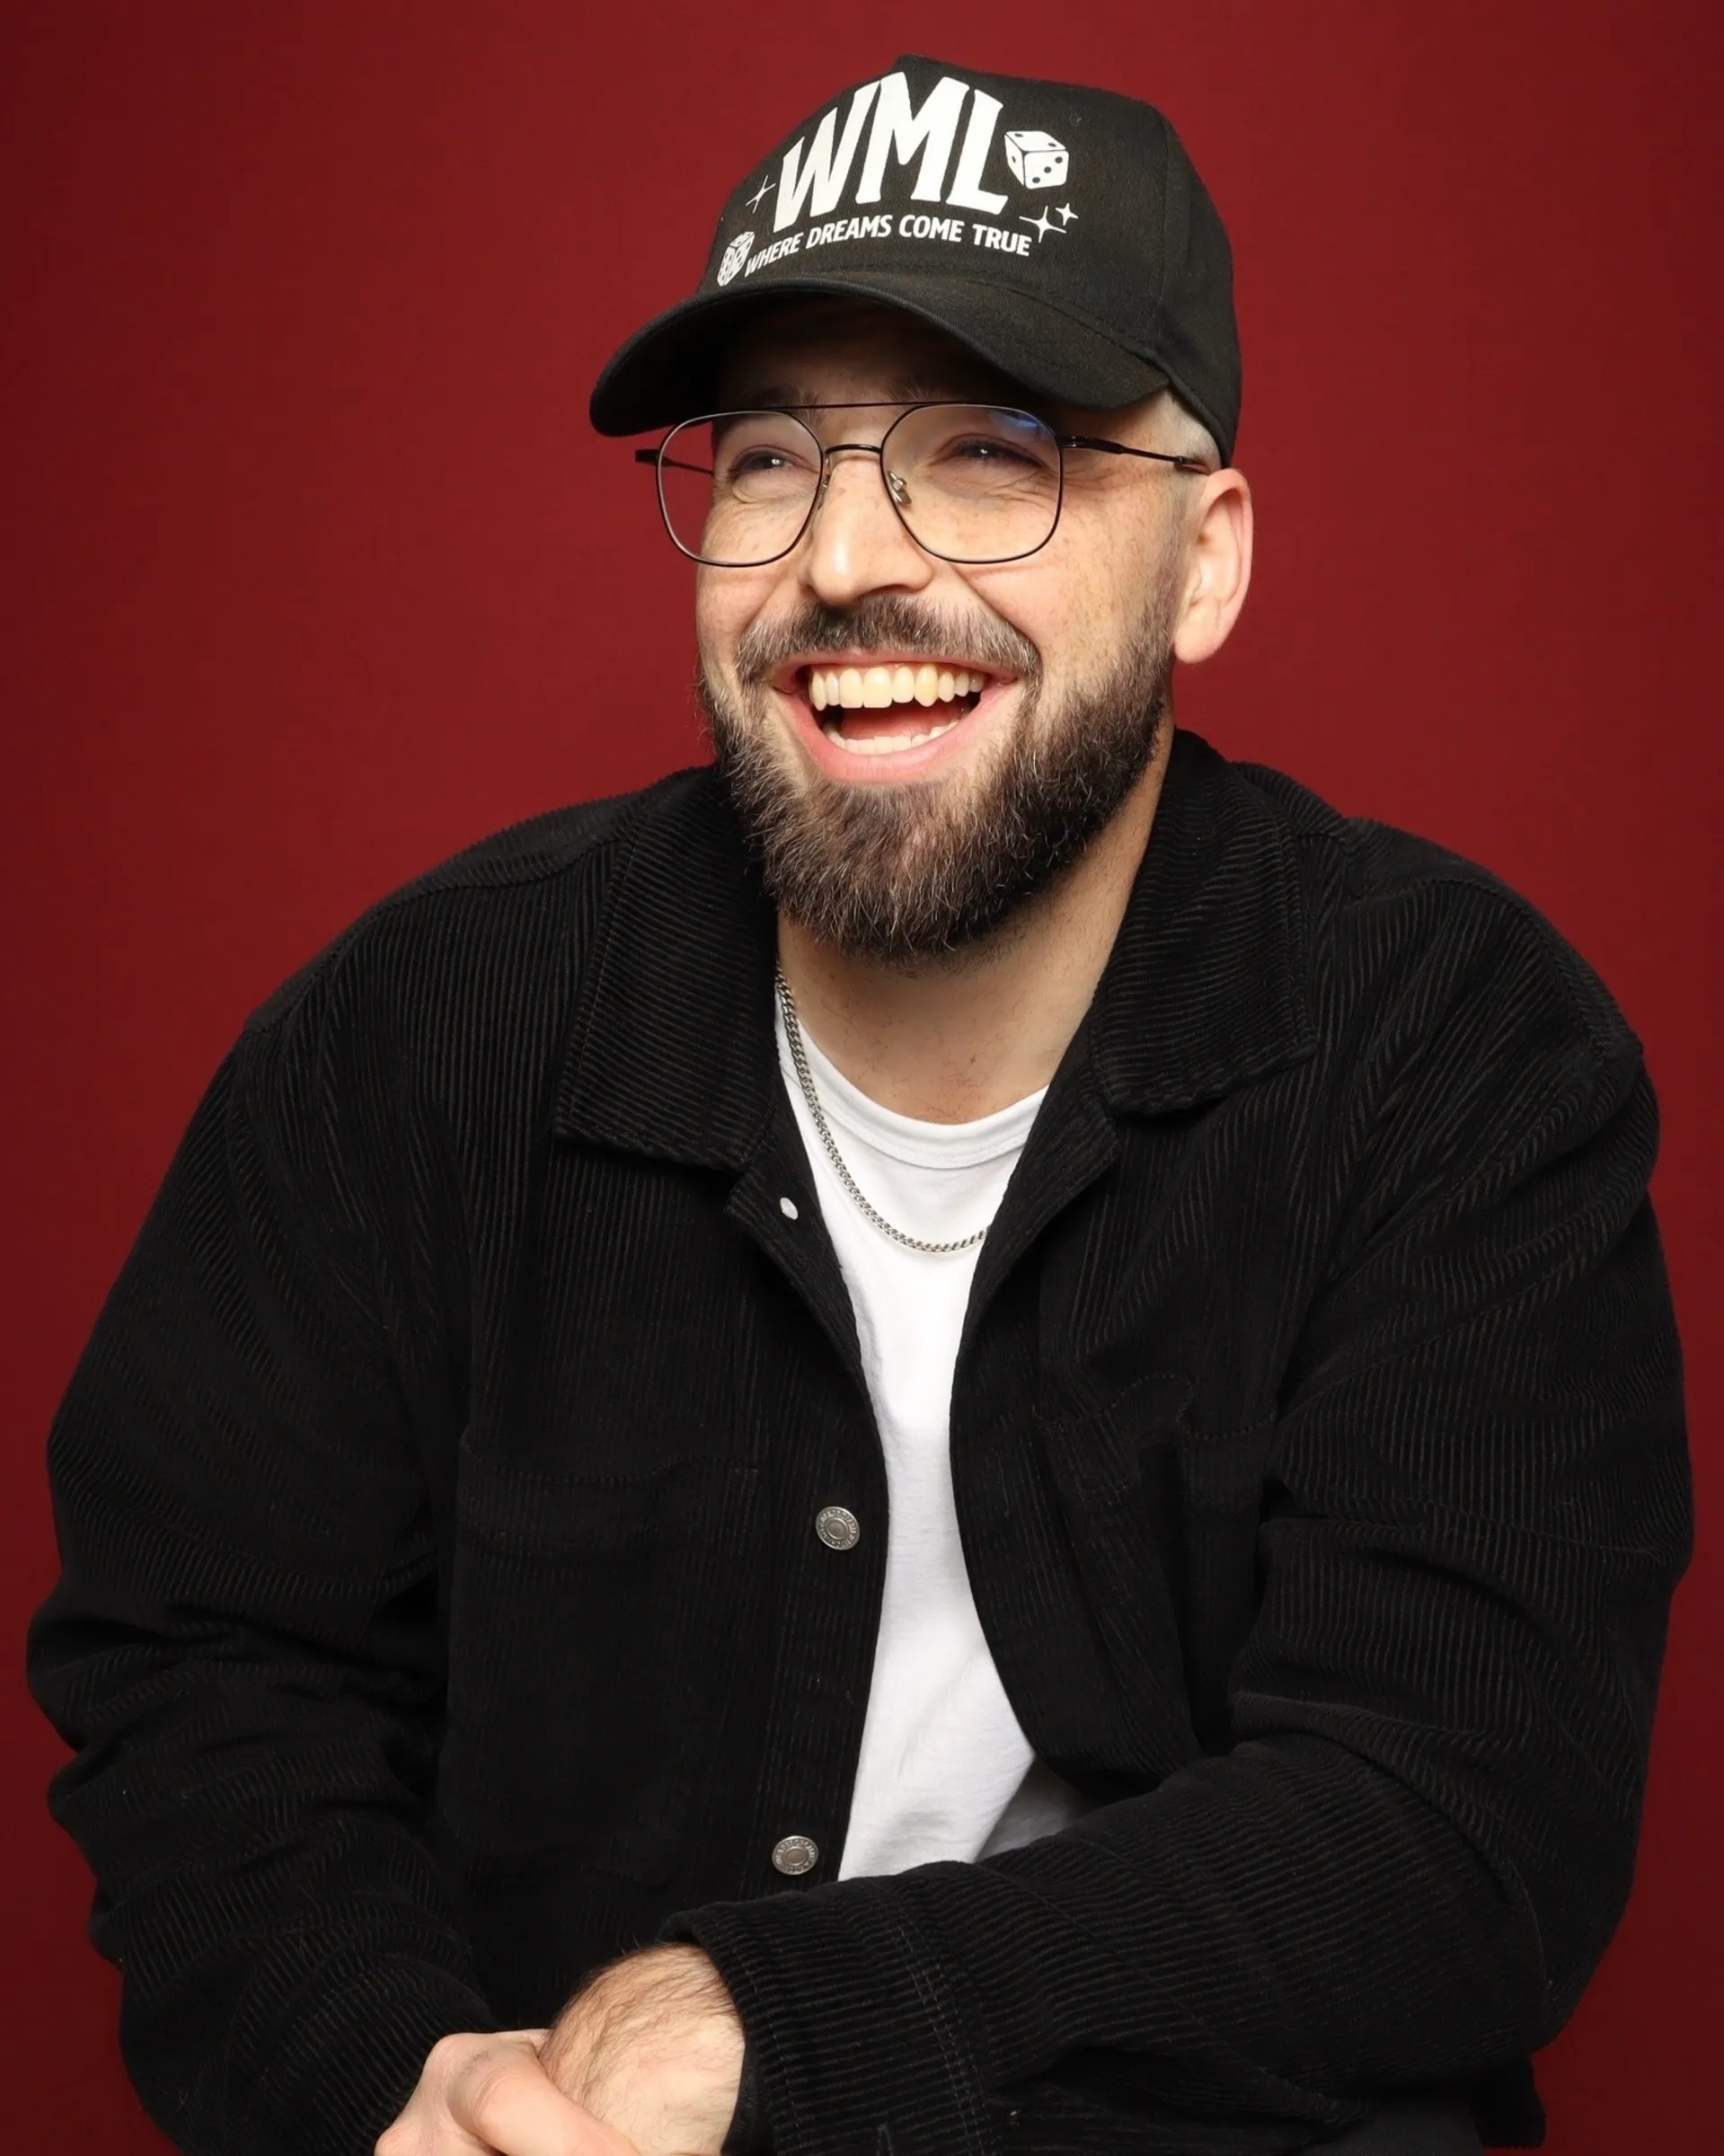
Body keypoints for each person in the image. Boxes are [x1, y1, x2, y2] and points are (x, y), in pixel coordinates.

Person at [28, 53, 1690, 2156]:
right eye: (767, 461)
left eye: (985, 455)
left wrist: (773, 2030)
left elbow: (1459, 1824)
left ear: (1204, 562)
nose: (840, 564)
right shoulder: (423, 1031)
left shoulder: (1453, 1053)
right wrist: (394, 2079)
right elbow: (205, 1673)